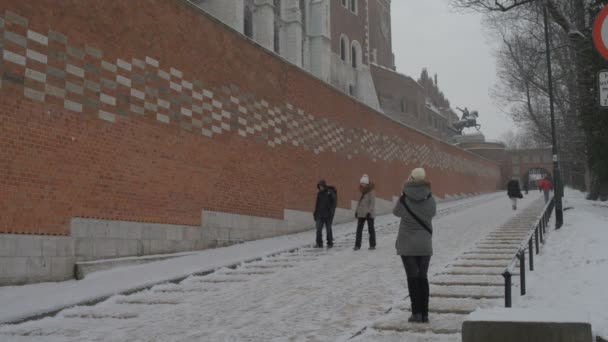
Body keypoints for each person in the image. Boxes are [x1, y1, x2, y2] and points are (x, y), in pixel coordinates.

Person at [394, 167, 436, 323]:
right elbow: (432, 213)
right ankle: (425, 314)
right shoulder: (430, 198)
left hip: (407, 244)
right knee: (423, 278)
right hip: (424, 244)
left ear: (410, 179)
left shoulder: (404, 199)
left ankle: (416, 313)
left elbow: (396, 212)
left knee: (412, 279)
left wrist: (403, 195)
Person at [354, 174, 376, 250]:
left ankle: (372, 245)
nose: (362, 184)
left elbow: (372, 202)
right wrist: (356, 211)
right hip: (361, 213)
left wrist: (369, 212)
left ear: (366, 184)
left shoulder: (371, 191)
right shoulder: (361, 191)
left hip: (369, 213)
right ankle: (357, 245)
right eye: (361, 183)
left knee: (371, 229)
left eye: (363, 183)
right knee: (359, 230)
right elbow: (359, 202)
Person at [313, 180, 337, 248]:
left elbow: (334, 203)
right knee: (318, 229)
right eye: (319, 186)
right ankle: (319, 243)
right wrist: (315, 213)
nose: (320, 188)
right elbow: (317, 204)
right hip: (320, 215)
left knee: (328, 229)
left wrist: (331, 212)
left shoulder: (330, 192)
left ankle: (330, 243)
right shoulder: (319, 193)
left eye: (321, 186)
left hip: (328, 215)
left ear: (324, 186)